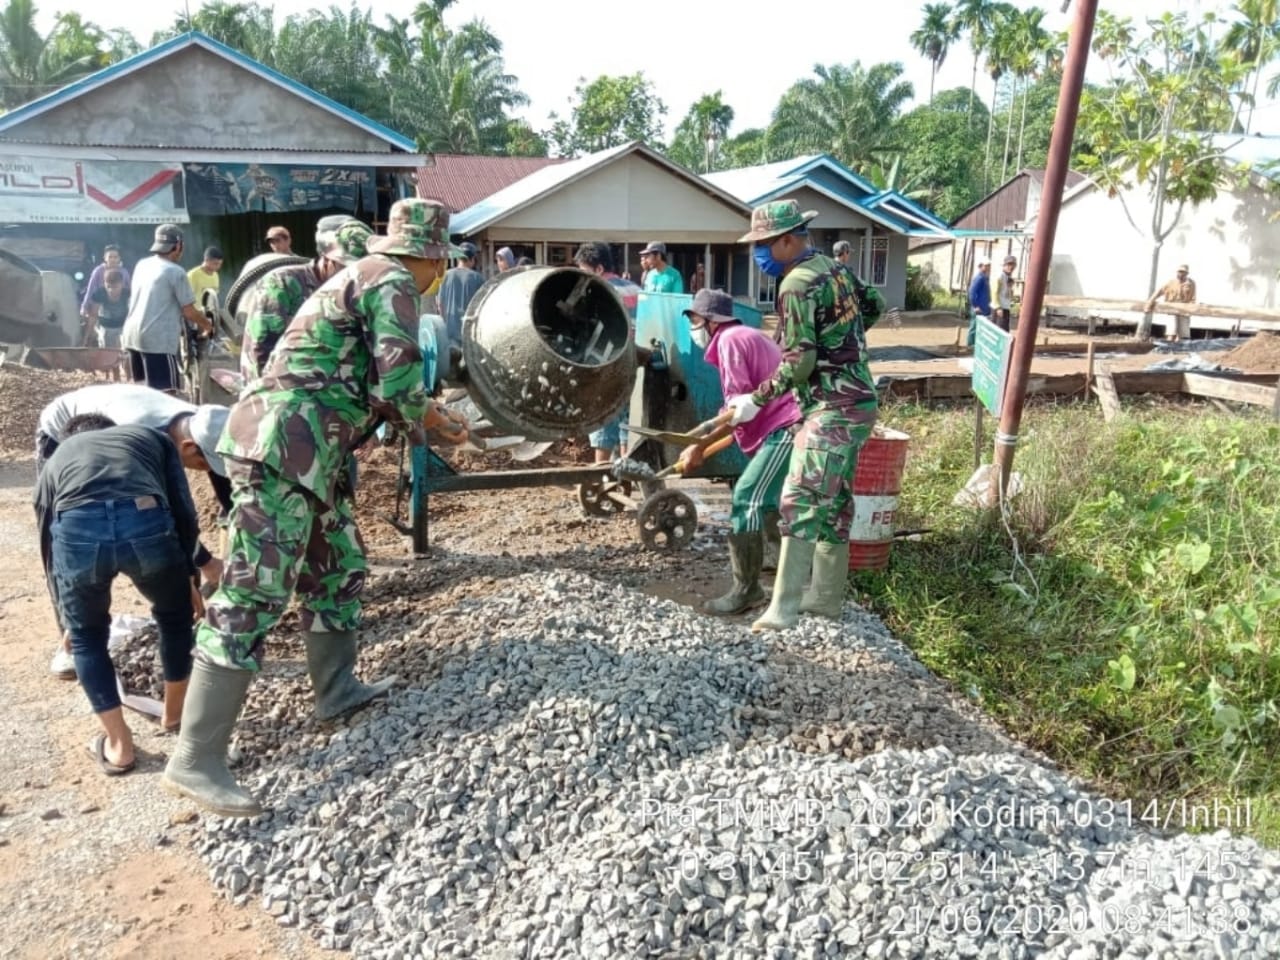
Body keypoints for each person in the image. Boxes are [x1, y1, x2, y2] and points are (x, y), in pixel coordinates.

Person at [162, 198, 467, 818]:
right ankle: (194, 758)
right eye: (442, 265)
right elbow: (400, 381)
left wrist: (414, 418)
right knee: (255, 592)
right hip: (282, 449)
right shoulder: (392, 280)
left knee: (338, 565)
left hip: (313, 457)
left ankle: (336, 688)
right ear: (432, 258)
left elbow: (366, 385)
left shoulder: (365, 277)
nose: (439, 277)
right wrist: (439, 422)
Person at [727, 199, 881, 633]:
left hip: (831, 409)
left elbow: (797, 363)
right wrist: (843, 344)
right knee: (834, 500)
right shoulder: (835, 269)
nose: (757, 254)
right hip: (859, 403)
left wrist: (758, 398)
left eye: (762, 245)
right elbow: (871, 303)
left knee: (799, 498)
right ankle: (826, 599)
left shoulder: (795, 284)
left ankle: (784, 608)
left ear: (788, 240)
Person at [35, 414, 202, 774]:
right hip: (145, 518)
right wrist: (189, 575)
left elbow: (47, 542)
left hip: (78, 529)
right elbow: (181, 506)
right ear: (113, 429)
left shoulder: (56, 460)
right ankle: (174, 716)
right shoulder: (146, 437)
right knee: (175, 618)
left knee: (87, 638)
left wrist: (67, 618)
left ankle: (119, 746)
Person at [36, 383, 231, 677]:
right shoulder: (138, 436)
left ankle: (186, 628)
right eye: (202, 464)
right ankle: (75, 640)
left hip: (109, 419)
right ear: (188, 447)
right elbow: (170, 514)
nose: (203, 472)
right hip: (62, 431)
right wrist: (205, 563)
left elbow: (217, 493)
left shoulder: (206, 423)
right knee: (66, 537)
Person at [680, 289, 802, 615]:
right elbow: (738, 413)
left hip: (785, 428)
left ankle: (747, 591)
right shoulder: (745, 335)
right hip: (787, 425)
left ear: (709, 321)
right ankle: (784, 568)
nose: (692, 328)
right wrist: (702, 448)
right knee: (770, 499)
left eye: (694, 320)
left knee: (747, 498)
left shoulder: (730, 340)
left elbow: (738, 412)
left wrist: (699, 445)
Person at [239, 216, 373, 383]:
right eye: (346, 267)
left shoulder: (357, 292)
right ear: (327, 260)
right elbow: (260, 350)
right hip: (286, 396)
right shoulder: (282, 284)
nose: (354, 275)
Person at [120, 224, 215, 393]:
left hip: (132, 336)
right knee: (166, 394)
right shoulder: (176, 272)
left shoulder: (142, 264)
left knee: (144, 391)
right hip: (157, 342)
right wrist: (208, 325)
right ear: (178, 245)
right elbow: (189, 311)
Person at [573, 242, 643, 464]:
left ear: (599, 269)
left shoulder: (596, 292)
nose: (583, 277)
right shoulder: (636, 289)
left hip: (609, 365)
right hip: (636, 362)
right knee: (627, 425)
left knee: (602, 422)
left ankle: (600, 476)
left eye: (584, 271)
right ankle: (625, 477)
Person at [437, 240, 485, 346]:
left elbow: (440, 305)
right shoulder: (478, 278)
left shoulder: (445, 276)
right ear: (472, 259)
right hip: (470, 334)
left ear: (458, 258)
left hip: (449, 332)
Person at [82, 267, 130, 351]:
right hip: (105, 328)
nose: (111, 290)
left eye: (115, 287)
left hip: (123, 327)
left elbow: (132, 315)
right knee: (107, 352)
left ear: (122, 284)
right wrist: (88, 337)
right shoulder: (99, 293)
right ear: (104, 284)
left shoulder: (128, 294)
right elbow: (93, 316)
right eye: (108, 287)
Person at [1145, 263, 1197, 340]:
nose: (1181, 273)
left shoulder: (1191, 283)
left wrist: (1192, 308)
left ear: (1187, 273)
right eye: (1179, 271)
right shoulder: (1170, 282)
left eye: (1183, 272)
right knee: (1171, 331)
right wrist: (1150, 302)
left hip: (1184, 309)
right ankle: (1169, 348)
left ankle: (1180, 348)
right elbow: (1159, 292)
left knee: (1184, 333)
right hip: (1171, 307)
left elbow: (1193, 297)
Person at [80, 244, 131, 317]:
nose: (113, 259)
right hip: (100, 302)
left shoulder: (124, 272)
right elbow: (90, 289)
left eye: (115, 257)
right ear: (105, 258)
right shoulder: (98, 270)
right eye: (110, 257)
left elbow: (129, 289)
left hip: (119, 304)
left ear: (119, 258)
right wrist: (84, 306)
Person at [187, 246, 224, 312]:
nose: (218, 267)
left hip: (210, 315)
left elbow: (214, 297)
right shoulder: (192, 275)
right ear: (206, 260)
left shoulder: (216, 275)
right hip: (195, 316)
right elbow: (185, 300)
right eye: (215, 264)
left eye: (220, 264)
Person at [966, 257, 992, 347]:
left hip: (984, 307)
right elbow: (972, 292)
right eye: (986, 266)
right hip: (978, 308)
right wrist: (975, 305)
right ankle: (970, 345)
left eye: (989, 266)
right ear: (981, 266)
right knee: (974, 326)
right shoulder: (979, 278)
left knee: (980, 327)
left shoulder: (985, 278)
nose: (988, 267)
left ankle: (975, 344)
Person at [994, 255, 1017, 332]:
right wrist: (998, 307)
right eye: (1009, 264)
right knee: (999, 331)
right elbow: (994, 292)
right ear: (1004, 265)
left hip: (1006, 308)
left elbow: (1007, 294)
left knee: (1005, 331)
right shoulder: (1000, 276)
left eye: (1013, 265)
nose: (1011, 267)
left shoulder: (1008, 277)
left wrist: (1010, 288)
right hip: (1000, 308)